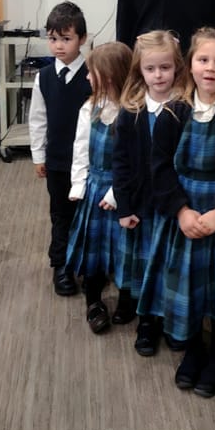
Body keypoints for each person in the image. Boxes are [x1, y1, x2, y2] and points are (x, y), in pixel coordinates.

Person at [138, 26, 215, 398]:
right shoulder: (173, 112)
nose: (210, 68)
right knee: (189, 285)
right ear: (189, 65)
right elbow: (159, 168)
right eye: (203, 59)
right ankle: (193, 349)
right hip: (185, 213)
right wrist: (181, 212)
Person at [112, 30, 184, 356]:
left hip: (174, 204)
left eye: (165, 68)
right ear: (139, 70)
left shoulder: (186, 107)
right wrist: (124, 205)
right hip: (141, 205)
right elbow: (121, 161)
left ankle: (172, 321)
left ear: (177, 67)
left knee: (172, 266)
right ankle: (147, 323)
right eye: (150, 69)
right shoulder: (131, 110)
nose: (158, 75)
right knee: (145, 267)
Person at [66, 42, 132, 333]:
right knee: (92, 253)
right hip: (93, 188)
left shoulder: (131, 113)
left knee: (124, 251)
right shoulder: (89, 108)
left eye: (91, 73)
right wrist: (78, 184)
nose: (86, 78)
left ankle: (127, 300)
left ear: (107, 76)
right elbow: (80, 149)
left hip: (121, 191)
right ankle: (93, 301)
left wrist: (118, 192)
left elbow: (133, 161)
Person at [29, 1, 91, 296]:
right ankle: (61, 266)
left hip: (87, 162)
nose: (58, 45)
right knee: (60, 213)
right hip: (56, 161)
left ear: (83, 38)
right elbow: (38, 119)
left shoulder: (94, 75)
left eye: (66, 39)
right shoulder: (43, 77)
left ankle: (89, 264)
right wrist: (38, 156)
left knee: (86, 213)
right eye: (53, 38)